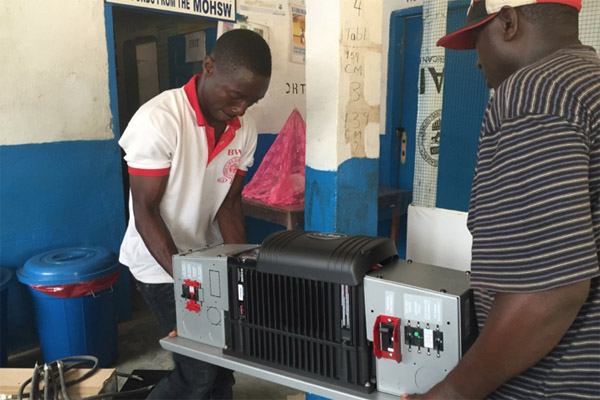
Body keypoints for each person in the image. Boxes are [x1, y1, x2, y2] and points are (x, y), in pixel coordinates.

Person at [404, 0, 599, 398]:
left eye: (477, 40)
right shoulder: (588, 84)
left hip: (551, 384)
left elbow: (549, 289)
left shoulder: (536, 93)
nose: (476, 62)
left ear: (508, 22)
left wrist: (452, 392)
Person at [118, 29, 271, 399]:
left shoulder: (243, 129)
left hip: (209, 260)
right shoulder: (159, 120)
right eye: (236, 96)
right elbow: (145, 212)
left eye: (252, 101)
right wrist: (191, 289)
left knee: (225, 360)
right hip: (159, 264)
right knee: (199, 370)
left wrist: (244, 275)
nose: (241, 110)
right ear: (208, 67)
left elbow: (229, 205)